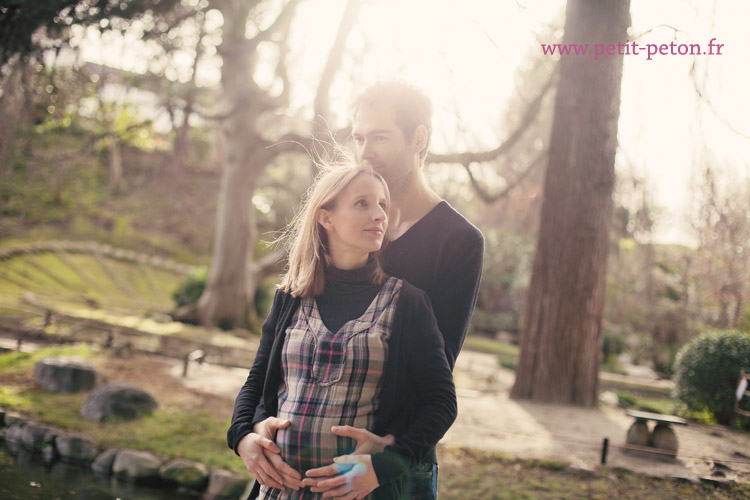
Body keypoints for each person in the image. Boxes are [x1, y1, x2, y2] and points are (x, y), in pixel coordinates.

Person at [227, 165, 458, 500]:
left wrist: (387, 465)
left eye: (382, 204)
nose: (379, 214)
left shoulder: (408, 303)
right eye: (362, 203)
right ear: (326, 217)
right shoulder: (290, 297)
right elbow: (257, 381)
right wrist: (242, 437)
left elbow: (442, 402)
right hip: (279, 492)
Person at [303, 82, 485, 498]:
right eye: (360, 138)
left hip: (393, 464)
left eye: (380, 137)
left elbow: (438, 372)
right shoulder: (348, 225)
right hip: (313, 449)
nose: (365, 152)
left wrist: (389, 453)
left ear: (418, 138)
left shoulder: (457, 241)